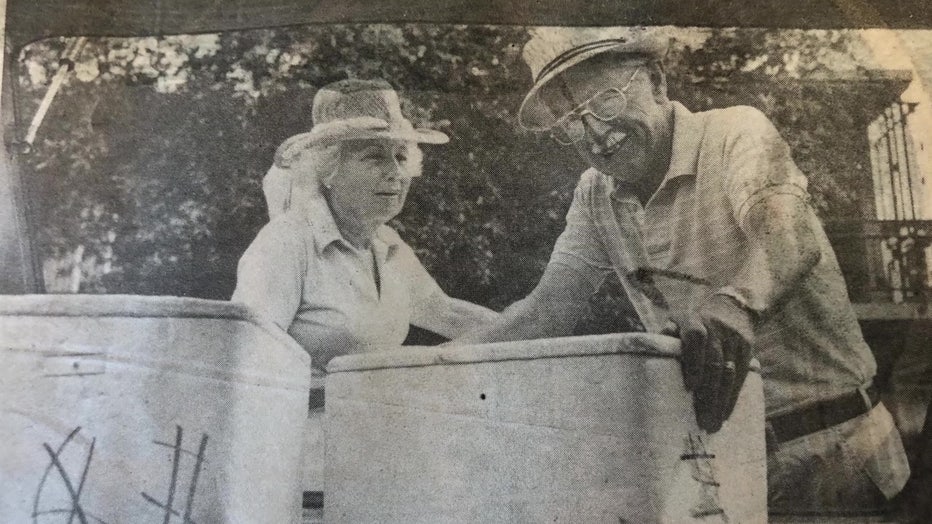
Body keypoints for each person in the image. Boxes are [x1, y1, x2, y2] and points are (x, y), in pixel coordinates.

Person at [457, 27, 910, 513]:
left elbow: (788, 236)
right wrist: (419, 368)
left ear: (656, 80)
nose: (594, 134)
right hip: (722, 466)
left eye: (606, 100)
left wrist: (734, 305)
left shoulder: (737, 131)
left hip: (837, 451)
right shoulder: (594, 194)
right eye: (570, 120)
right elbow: (545, 311)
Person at [232, 78, 500, 370]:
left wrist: (533, 331)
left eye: (400, 156)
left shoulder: (387, 243)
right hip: (310, 412)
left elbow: (446, 313)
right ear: (328, 170)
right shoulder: (286, 243)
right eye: (374, 157)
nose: (395, 173)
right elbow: (244, 353)